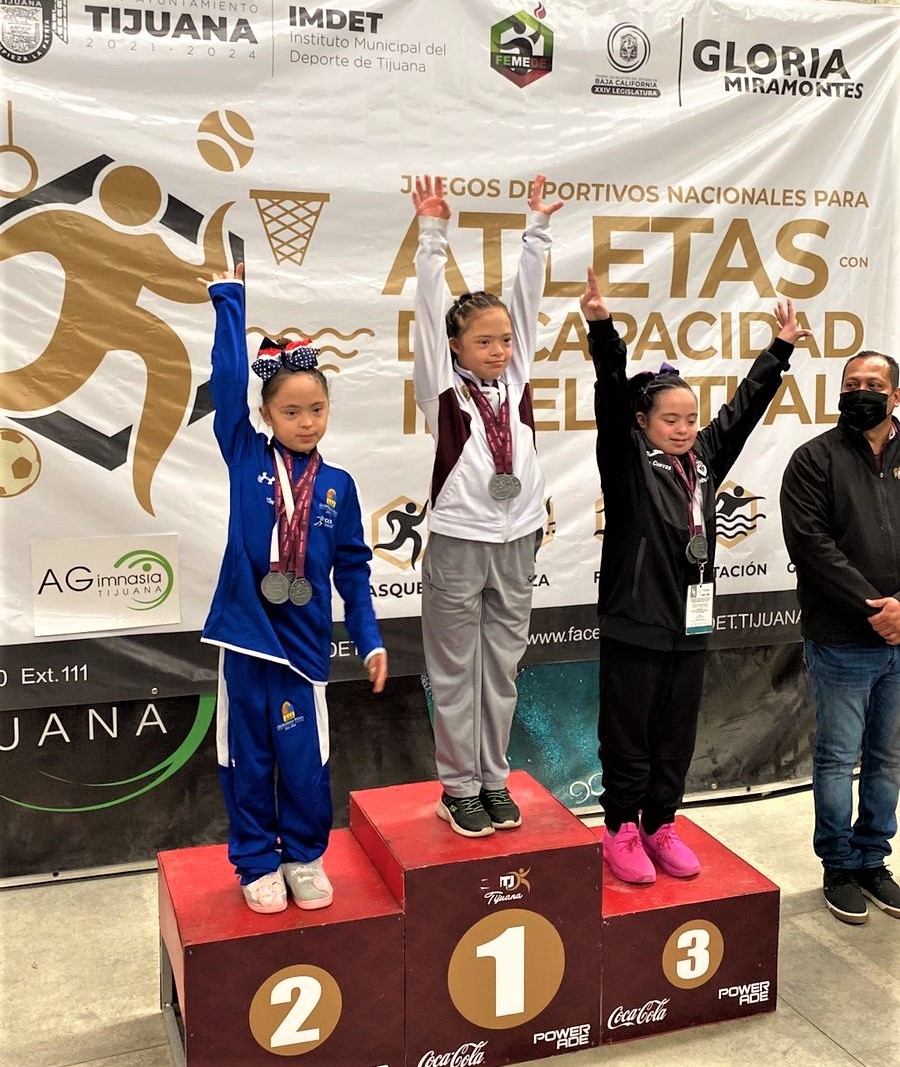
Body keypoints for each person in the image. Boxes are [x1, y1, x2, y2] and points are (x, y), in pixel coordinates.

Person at [581, 267, 809, 883]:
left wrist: (779, 350)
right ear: (643, 422)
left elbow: (742, 411)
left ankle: (660, 823)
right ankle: (620, 829)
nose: (684, 429)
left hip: (691, 622)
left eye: (690, 419)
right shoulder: (627, 461)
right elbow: (610, 395)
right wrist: (603, 333)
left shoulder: (702, 459)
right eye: (670, 420)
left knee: (676, 734)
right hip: (635, 621)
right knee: (628, 733)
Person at [201, 263, 387, 913]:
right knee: (247, 760)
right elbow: (226, 383)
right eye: (291, 411)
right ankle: (257, 860)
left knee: (306, 763)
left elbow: (353, 571)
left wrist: (369, 639)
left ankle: (304, 856)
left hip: (305, 648)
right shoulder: (245, 454)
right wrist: (230, 303)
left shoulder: (337, 486)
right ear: (265, 414)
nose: (306, 422)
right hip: (246, 640)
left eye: (317, 409)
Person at [411, 174, 562, 837]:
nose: (500, 350)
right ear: (455, 346)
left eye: (505, 340)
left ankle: (493, 778)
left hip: (518, 539)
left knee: (501, 668)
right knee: (455, 671)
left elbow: (527, 303)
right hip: (460, 541)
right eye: (484, 341)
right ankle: (458, 788)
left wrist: (537, 231)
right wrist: (432, 236)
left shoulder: (517, 377)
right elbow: (426, 314)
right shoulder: (441, 390)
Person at [780, 350, 900, 924]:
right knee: (836, 758)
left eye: (872, 384)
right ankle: (839, 866)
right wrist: (877, 609)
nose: (860, 392)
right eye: (850, 383)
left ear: (895, 396)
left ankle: (874, 860)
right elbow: (811, 546)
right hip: (842, 639)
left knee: (888, 757)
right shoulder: (813, 459)